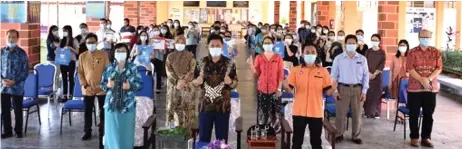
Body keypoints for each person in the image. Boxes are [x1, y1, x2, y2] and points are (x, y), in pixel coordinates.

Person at [283, 44, 334, 149]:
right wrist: (285, 85)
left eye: (312, 52)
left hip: (316, 112)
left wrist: (334, 87)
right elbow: (290, 90)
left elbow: (328, 92)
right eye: (307, 52)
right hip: (299, 111)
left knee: (316, 143)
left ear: (316, 54)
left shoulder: (323, 71)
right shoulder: (296, 70)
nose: (310, 54)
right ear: (302, 54)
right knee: (297, 142)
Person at [194, 34, 238, 143]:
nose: (215, 47)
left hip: (222, 108)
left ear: (222, 46)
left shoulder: (229, 63)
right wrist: (196, 82)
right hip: (205, 107)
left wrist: (231, 82)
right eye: (212, 45)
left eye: (217, 45)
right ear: (207, 46)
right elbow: (193, 82)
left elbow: (235, 84)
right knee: (203, 139)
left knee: (222, 140)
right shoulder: (201, 63)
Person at [100, 43, 142, 149]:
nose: (120, 53)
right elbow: (102, 84)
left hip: (127, 105)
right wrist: (108, 85)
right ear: (113, 53)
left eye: (123, 51)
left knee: (126, 133)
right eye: (118, 51)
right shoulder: (109, 68)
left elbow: (140, 84)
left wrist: (130, 86)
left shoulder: (133, 67)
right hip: (111, 105)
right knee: (112, 133)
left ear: (127, 53)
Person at [406, 29, 442, 147]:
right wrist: (422, 79)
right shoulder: (412, 52)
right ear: (419, 37)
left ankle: (426, 137)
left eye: (427, 37)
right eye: (423, 37)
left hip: (430, 89)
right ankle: (414, 137)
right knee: (414, 114)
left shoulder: (436, 52)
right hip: (414, 89)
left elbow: (439, 68)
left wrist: (429, 79)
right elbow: (410, 69)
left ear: (430, 38)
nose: (425, 39)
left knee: (428, 114)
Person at [331, 34, 369, 144]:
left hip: (358, 90)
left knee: (357, 114)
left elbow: (366, 76)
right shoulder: (339, 59)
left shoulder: (362, 59)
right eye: (349, 43)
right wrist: (335, 90)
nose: (351, 45)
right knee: (340, 114)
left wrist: (364, 91)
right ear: (345, 44)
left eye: (353, 43)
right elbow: (333, 76)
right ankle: (339, 134)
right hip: (343, 89)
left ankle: (356, 136)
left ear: (357, 45)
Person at [77, 33, 110, 140]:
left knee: (103, 110)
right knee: (87, 111)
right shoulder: (82, 56)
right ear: (86, 44)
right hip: (87, 89)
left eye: (93, 42)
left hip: (102, 88)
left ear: (97, 42)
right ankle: (87, 131)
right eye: (88, 43)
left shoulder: (103, 54)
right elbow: (80, 73)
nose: (91, 44)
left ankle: (103, 131)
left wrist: (102, 85)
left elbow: (108, 71)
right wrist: (85, 85)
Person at [247, 36, 284, 129]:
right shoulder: (259, 57)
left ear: (273, 44)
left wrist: (279, 88)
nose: (267, 44)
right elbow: (256, 73)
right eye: (265, 43)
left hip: (275, 89)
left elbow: (281, 74)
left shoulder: (278, 58)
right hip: (262, 88)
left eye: (269, 43)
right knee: (263, 111)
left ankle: (274, 131)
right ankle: (262, 130)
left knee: (275, 111)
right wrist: (250, 65)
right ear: (262, 45)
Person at [0, 29, 29, 139]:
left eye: (13, 37)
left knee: (18, 110)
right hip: (4, 87)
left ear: (17, 38)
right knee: (5, 110)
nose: (11, 39)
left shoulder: (21, 53)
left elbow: (25, 71)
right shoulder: (1, 52)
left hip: (17, 87)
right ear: (5, 38)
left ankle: (18, 131)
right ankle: (7, 131)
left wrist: (14, 81)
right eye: (9, 37)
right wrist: (2, 81)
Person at [165, 36, 197, 127]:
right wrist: (176, 81)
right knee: (172, 107)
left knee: (187, 108)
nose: (180, 44)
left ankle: (187, 131)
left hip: (186, 86)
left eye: (182, 42)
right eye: (178, 42)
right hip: (173, 85)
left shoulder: (190, 56)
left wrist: (184, 81)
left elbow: (192, 70)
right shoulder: (170, 56)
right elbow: (168, 71)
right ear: (174, 44)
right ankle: (171, 129)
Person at [363, 34, 386, 119]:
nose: (374, 42)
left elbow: (382, 64)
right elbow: (364, 63)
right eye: (373, 40)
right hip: (367, 76)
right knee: (368, 94)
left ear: (379, 41)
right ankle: (367, 112)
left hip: (377, 77)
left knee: (376, 94)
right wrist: (368, 73)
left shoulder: (382, 52)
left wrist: (375, 74)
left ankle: (376, 113)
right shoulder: (368, 51)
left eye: (376, 40)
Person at [58, 25, 80, 102]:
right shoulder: (61, 40)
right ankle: (64, 95)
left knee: (71, 78)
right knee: (64, 78)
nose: (64, 32)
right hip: (63, 61)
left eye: (66, 31)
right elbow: (59, 50)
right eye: (63, 31)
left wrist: (70, 48)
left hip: (71, 61)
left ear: (69, 31)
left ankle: (71, 94)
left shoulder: (74, 40)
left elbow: (77, 51)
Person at [150, 25, 168, 93]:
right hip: (152, 58)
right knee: (151, 73)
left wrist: (162, 50)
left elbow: (165, 51)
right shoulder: (150, 39)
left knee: (158, 74)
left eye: (157, 30)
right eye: (154, 30)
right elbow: (147, 49)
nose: (156, 31)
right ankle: (150, 87)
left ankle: (158, 88)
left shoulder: (162, 39)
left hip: (160, 58)